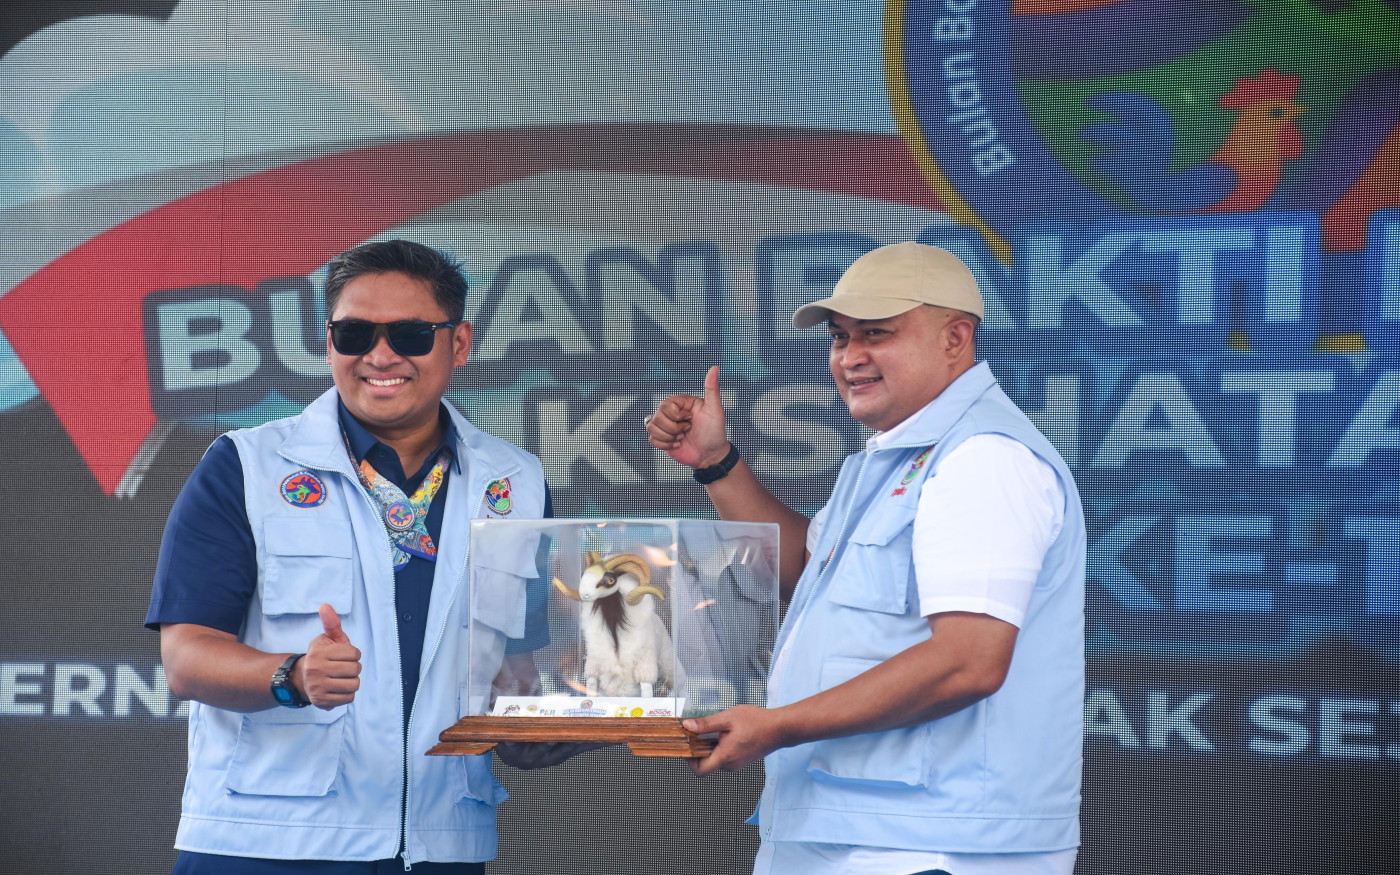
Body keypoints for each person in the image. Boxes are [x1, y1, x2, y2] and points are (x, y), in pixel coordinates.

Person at [647, 242, 1086, 875]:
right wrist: (717, 464)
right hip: (866, 831)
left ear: (955, 338)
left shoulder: (984, 459)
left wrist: (777, 725)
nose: (850, 356)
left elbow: (969, 661)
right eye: (839, 337)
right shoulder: (899, 458)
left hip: (932, 845)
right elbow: (810, 573)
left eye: (876, 333)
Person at [147, 240, 557, 874]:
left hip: (442, 848)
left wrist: (590, 715)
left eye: (411, 334)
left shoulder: (518, 482)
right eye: (355, 333)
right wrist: (291, 675)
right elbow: (185, 658)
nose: (380, 355)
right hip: (266, 844)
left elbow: (517, 681)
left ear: (459, 343)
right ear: (328, 342)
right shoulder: (246, 466)